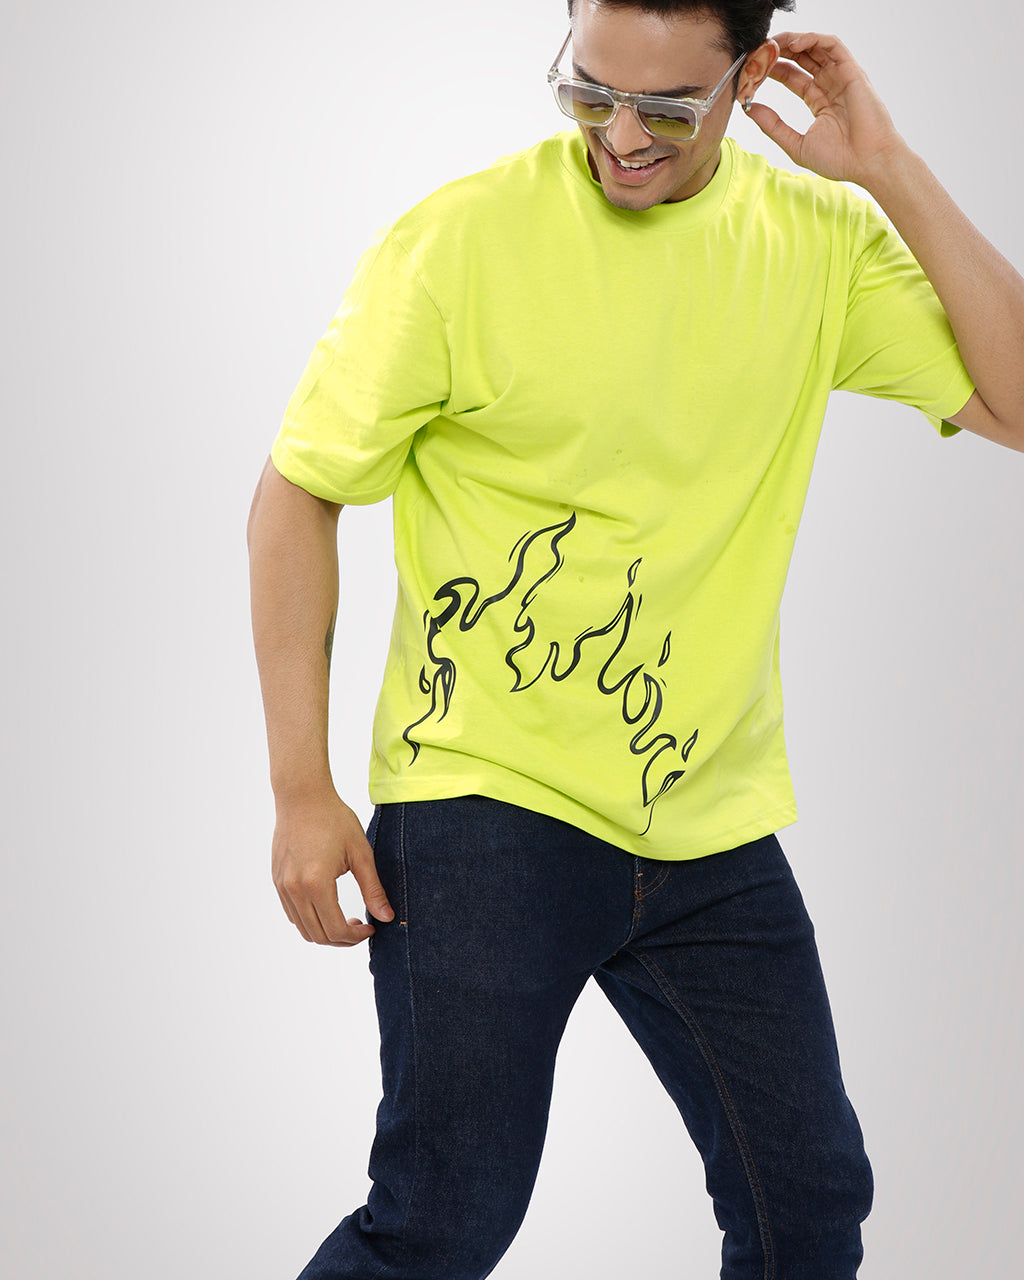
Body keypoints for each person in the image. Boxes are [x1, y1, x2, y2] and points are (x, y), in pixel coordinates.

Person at [247, 1, 1024, 1275]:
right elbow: (297, 491)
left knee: (806, 1209)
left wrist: (886, 165)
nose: (618, 136)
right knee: (444, 1216)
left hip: (708, 816)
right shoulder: (461, 241)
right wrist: (300, 785)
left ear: (749, 76)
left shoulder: (817, 245)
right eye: (588, 91)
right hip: (486, 801)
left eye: (664, 107)